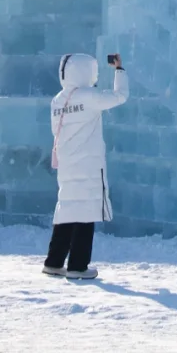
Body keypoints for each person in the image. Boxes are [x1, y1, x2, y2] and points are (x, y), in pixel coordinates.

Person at [43, 52, 128, 281]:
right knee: (86, 210)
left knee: (67, 208)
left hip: (67, 163)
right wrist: (119, 70)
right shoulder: (89, 96)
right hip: (88, 162)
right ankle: (78, 266)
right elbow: (120, 96)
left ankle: (54, 261)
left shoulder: (58, 100)